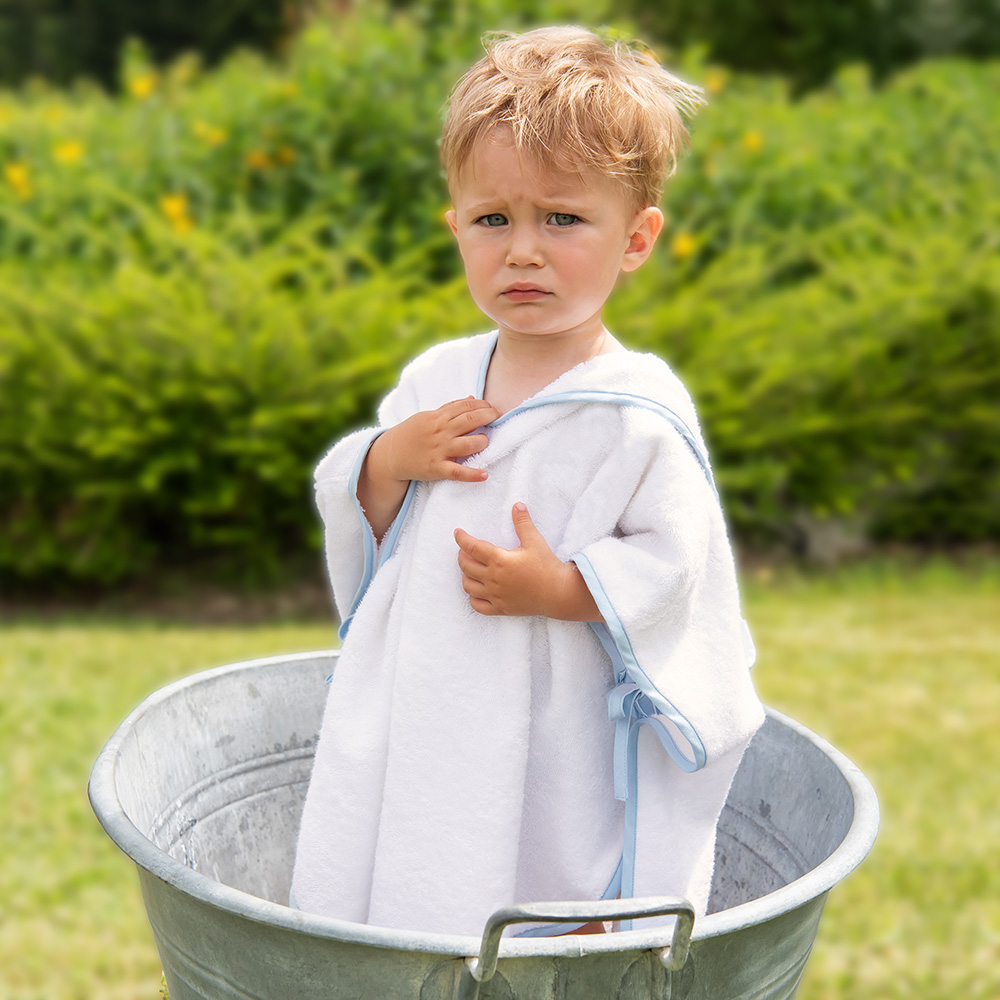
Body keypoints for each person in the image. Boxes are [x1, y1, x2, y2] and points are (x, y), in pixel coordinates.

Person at [290, 25, 764, 938]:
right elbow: (358, 506)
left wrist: (562, 585)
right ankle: (397, 946)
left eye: (564, 219)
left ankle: (557, 955)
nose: (523, 251)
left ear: (636, 239)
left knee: (545, 856)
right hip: (431, 691)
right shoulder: (436, 381)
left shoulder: (634, 411)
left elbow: (678, 569)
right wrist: (390, 460)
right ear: (457, 228)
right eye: (493, 220)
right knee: (424, 844)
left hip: (558, 714)